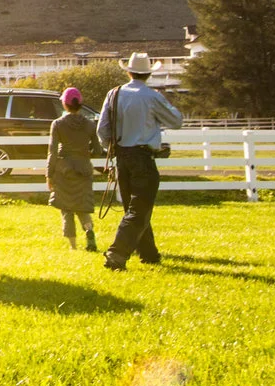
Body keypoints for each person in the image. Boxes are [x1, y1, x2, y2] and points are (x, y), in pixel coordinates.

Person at [95, 53, 182, 270]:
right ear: (148, 74)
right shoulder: (151, 96)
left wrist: (111, 148)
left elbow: (102, 130)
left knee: (134, 208)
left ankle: (149, 253)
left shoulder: (114, 94)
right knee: (139, 209)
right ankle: (117, 253)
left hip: (122, 157)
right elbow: (176, 121)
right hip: (143, 156)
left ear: (129, 72)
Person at [45, 86, 105, 251]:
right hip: (84, 169)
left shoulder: (57, 124)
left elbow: (52, 152)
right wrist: (84, 153)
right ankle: (89, 231)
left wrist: (49, 175)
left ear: (65, 104)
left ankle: (73, 247)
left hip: (64, 171)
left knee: (67, 210)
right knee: (82, 207)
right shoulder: (89, 125)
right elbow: (98, 150)